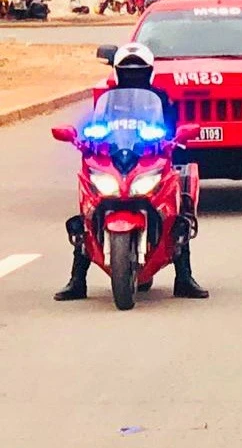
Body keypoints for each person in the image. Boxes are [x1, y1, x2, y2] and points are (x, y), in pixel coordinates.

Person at [55, 43, 210, 302]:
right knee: (87, 212)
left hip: (150, 158)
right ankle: (77, 280)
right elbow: (95, 125)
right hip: (115, 159)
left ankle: (184, 277)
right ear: (117, 71)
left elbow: (173, 128)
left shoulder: (162, 98)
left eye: (138, 70)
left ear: (149, 71)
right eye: (127, 70)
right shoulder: (107, 98)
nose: (132, 74)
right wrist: (86, 139)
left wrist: (171, 139)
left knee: (179, 210)